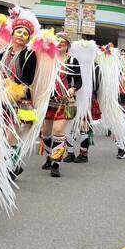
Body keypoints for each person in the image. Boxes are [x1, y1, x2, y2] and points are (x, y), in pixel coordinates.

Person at [0, 8, 39, 177]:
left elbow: (28, 80)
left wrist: (11, 84)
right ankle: (13, 164)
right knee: (2, 134)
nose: (21, 35)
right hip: (1, 98)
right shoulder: (2, 52)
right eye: (18, 31)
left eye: (25, 33)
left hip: (19, 99)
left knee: (11, 133)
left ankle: (9, 168)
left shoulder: (30, 55)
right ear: (12, 33)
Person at [41, 32, 81, 177]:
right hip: (48, 102)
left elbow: (78, 80)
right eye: (58, 41)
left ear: (68, 45)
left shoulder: (72, 61)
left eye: (63, 41)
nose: (60, 43)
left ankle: (56, 163)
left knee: (58, 131)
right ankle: (49, 156)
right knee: (45, 132)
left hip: (64, 102)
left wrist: (73, 88)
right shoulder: (48, 59)